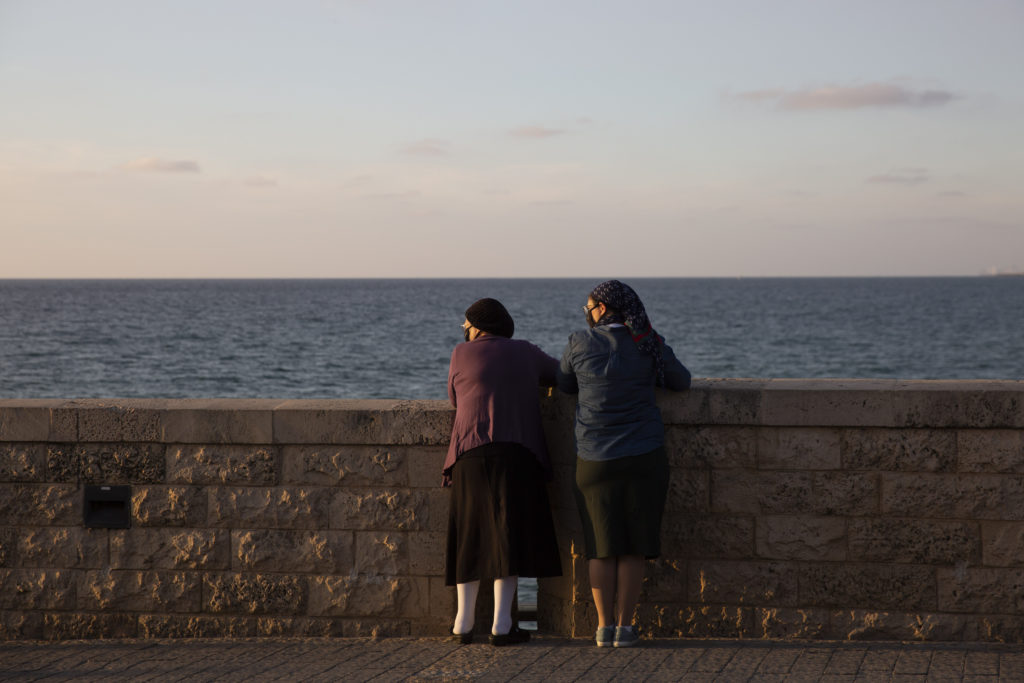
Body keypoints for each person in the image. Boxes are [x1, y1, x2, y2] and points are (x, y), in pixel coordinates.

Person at [557, 280, 691, 648]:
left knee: (601, 546)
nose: (585, 312)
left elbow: (564, 384)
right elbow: (682, 381)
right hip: (643, 456)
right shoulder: (647, 341)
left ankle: (602, 628)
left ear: (603, 308)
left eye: (589, 306)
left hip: (594, 459)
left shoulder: (578, 343)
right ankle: (626, 628)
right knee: (633, 546)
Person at [443, 297, 562, 646]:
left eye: (466, 325)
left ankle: (462, 624)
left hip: (470, 454)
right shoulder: (526, 352)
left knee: (469, 536)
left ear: (477, 327)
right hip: (516, 453)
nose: (463, 331)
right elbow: (561, 375)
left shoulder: (459, 354)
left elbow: (453, 399)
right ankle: (502, 624)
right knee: (506, 537)